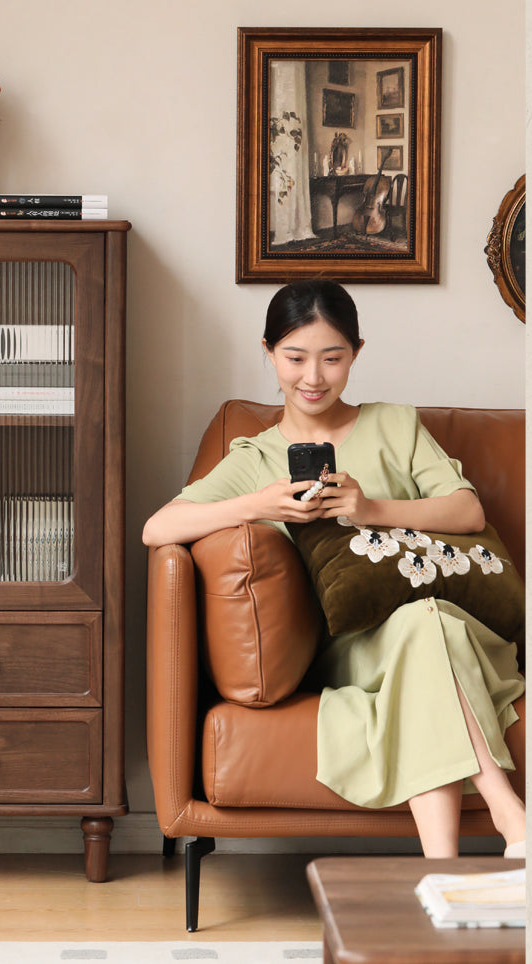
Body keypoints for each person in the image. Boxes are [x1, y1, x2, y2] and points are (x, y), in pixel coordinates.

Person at [142, 279, 526, 859]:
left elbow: (467, 511)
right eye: (295, 358)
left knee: (426, 621)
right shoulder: (255, 456)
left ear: (357, 354)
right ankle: (509, 814)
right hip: (352, 646)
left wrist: (371, 509)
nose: (313, 378)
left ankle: (444, 870)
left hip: (451, 631)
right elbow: (158, 528)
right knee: (424, 627)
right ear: (268, 352)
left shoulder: (396, 425)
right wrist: (262, 505)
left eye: (332, 358)